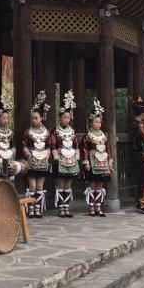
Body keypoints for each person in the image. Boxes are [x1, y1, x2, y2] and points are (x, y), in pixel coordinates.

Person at [51, 90, 80, 219]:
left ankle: (67, 207)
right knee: (61, 183)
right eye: (64, 117)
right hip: (60, 159)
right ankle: (61, 207)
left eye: (68, 117)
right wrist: (56, 157)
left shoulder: (72, 131)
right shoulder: (55, 131)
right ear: (60, 117)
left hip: (71, 159)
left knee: (68, 183)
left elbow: (76, 145)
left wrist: (77, 157)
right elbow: (52, 144)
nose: (66, 119)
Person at [22, 91, 50, 218]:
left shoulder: (46, 132)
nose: (34, 120)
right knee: (32, 185)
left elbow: (49, 145)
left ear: (41, 118)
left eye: (36, 118)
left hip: (43, 162)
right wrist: (29, 155)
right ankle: (30, 207)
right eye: (32, 118)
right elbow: (24, 145)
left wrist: (47, 154)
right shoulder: (28, 132)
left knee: (40, 186)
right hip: (32, 162)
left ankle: (37, 208)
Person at [82, 98, 112, 217]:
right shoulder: (87, 136)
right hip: (92, 162)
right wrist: (86, 162)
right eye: (95, 122)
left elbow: (108, 149)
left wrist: (110, 160)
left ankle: (98, 206)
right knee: (92, 185)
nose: (98, 124)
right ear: (91, 123)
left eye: (99, 122)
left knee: (100, 184)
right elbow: (84, 150)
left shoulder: (104, 136)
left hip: (102, 162)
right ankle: (91, 207)